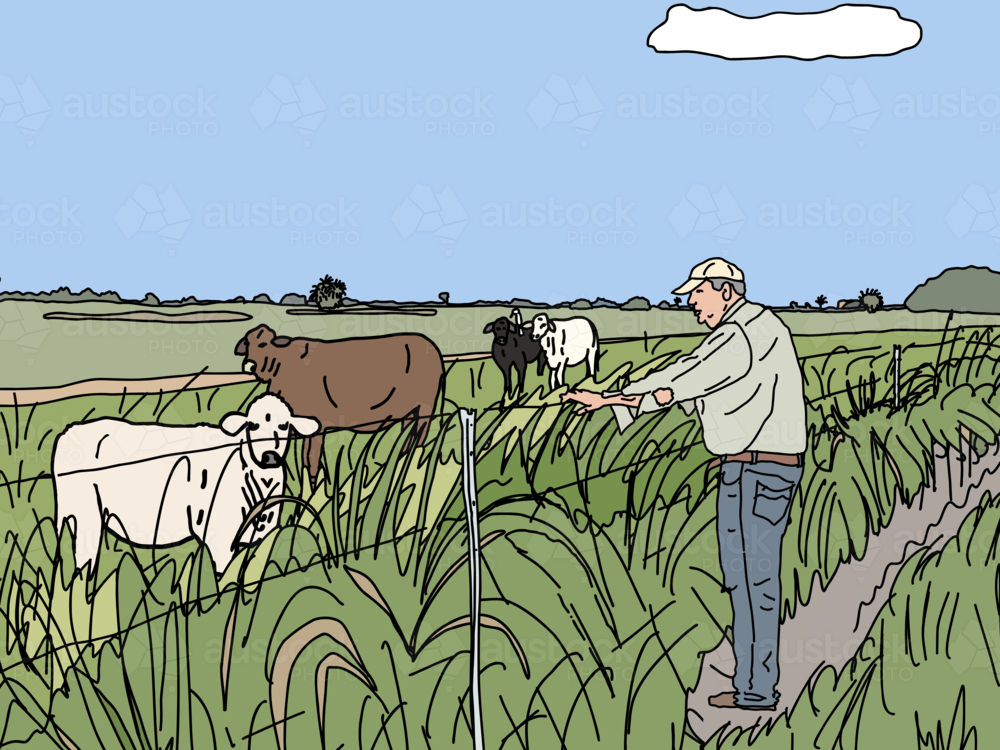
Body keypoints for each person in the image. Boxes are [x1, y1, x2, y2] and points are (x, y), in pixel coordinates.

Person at [562, 257, 806, 711]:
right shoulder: (764, 326)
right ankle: (753, 684)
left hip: (756, 471)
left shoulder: (737, 337)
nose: (691, 303)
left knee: (751, 580)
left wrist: (608, 399)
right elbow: (710, 385)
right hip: (755, 466)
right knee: (748, 579)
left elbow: (681, 380)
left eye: (698, 293)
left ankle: (756, 690)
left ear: (725, 292)